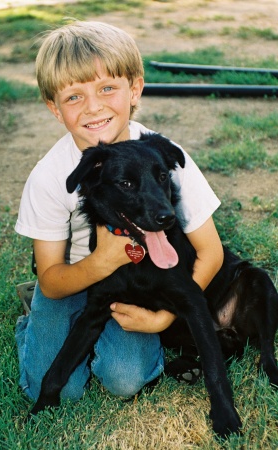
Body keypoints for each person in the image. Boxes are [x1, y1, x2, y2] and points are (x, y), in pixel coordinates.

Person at [15, 20, 223, 402]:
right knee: (53, 388)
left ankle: (102, 344)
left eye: (108, 88)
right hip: (73, 278)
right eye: (74, 97)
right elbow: (51, 280)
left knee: (125, 380)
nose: (94, 107)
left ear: (135, 90)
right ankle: (34, 324)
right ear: (55, 109)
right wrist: (103, 261)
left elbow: (211, 251)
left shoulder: (163, 156)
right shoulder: (48, 177)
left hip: (133, 283)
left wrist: (163, 318)